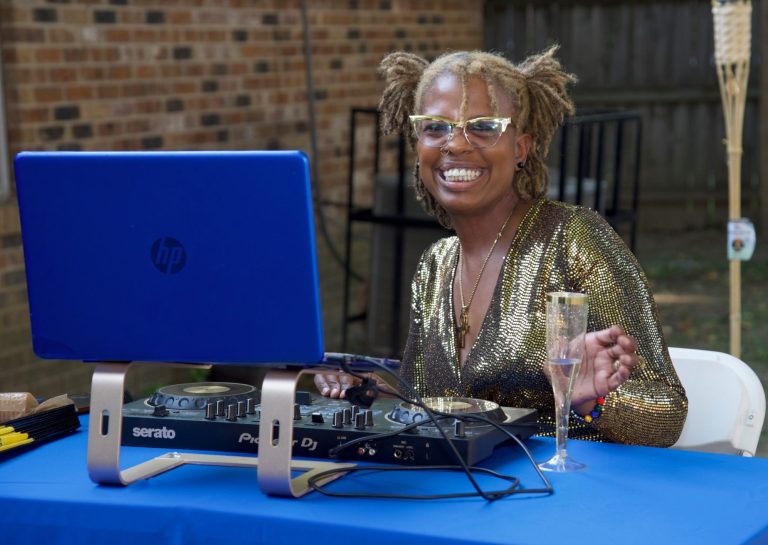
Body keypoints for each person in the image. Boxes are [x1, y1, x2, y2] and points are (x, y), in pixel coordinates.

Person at [316, 46, 687, 447]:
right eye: (435, 127)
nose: (456, 144)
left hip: (568, 480)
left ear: (520, 148)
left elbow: (667, 414)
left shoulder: (573, 238)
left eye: (483, 127)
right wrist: (368, 387)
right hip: (470, 479)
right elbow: (426, 402)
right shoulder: (436, 264)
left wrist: (593, 400)